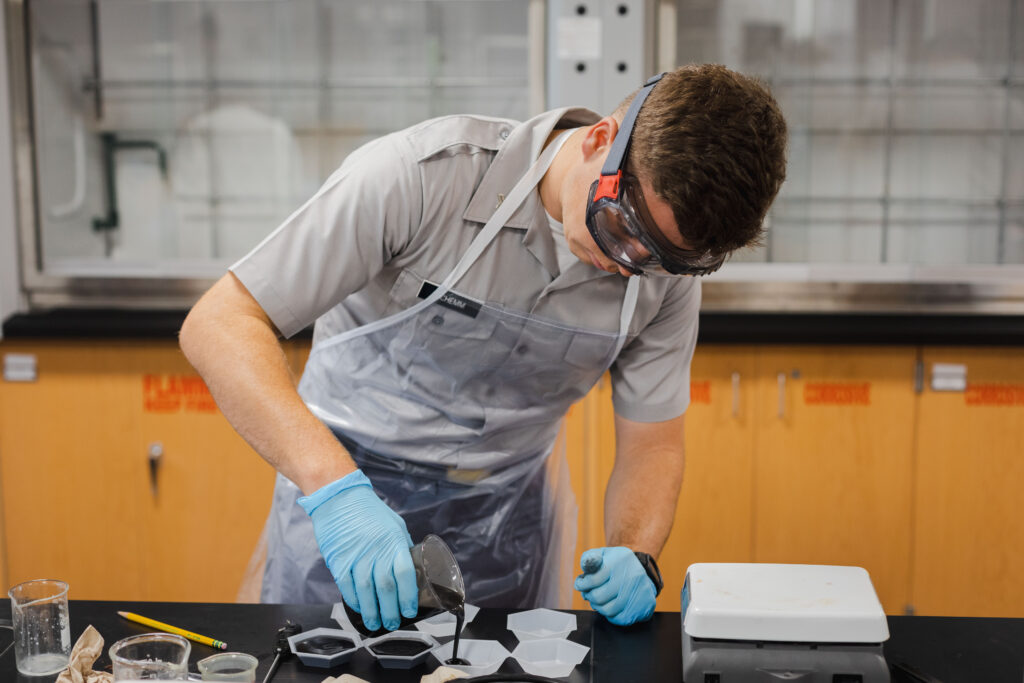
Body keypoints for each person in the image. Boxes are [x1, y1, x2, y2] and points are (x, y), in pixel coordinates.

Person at [180, 64, 787, 632]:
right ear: (600, 139)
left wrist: (638, 551)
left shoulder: (660, 281)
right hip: (346, 499)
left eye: (661, 260)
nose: (625, 265)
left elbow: (652, 445)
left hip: (505, 522)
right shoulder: (422, 177)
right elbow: (220, 322)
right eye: (621, 228)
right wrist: (335, 491)